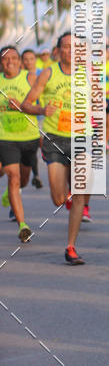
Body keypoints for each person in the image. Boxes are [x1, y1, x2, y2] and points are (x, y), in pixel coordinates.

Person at [22, 32, 90, 264]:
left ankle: (70, 247)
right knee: (58, 198)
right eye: (65, 46)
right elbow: (26, 104)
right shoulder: (48, 73)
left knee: (80, 191)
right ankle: (69, 201)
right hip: (55, 139)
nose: (70, 50)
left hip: (82, 138)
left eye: (74, 47)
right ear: (58, 50)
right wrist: (42, 111)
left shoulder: (89, 73)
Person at [0, 46, 41, 242]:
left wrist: (23, 106)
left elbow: (40, 103)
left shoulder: (31, 78)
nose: (10, 62)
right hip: (5, 137)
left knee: (23, 180)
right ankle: (22, 225)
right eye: (6, 59)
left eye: (14, 58)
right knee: (14, 176)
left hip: (29, 136)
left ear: (19, 60)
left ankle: (10, 192)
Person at [20, 49, 43, 188]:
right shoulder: (20, 76)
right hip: (24, 117)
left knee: (39, 145)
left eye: (31, 58)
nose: (29, 62)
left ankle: (37, 174)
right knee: (30, 149)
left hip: (41, 116)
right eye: (26, 59)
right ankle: (35, 175)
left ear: (36, 59)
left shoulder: (43, 74)